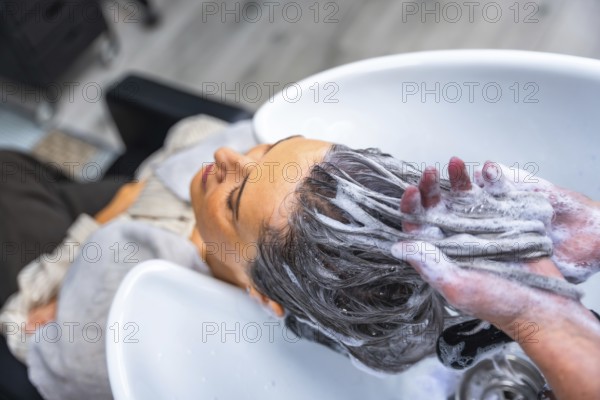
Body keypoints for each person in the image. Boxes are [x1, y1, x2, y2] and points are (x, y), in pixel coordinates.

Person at [3, 116, 599, 399]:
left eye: (233, 199)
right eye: (270, 149)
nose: (227, 155)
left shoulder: (128, 290)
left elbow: (41, 346)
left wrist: (131, 201)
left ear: (266, 296)